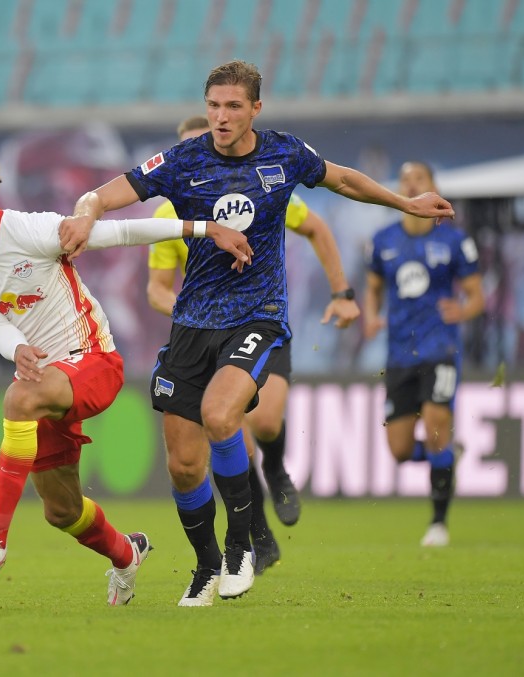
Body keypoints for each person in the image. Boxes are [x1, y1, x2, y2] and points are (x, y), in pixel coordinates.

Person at [60, 60, 454, 606]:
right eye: (214, 106)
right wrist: (85, 213)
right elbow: (108, 195)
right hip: (193, 322)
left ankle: (241, 545)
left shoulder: (284, 153)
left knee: (225, 416)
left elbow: (341, 179)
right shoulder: (182, 161)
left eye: (233, 107)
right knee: (182, 463)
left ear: (255, 110)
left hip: (257, 314)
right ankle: (205, 567)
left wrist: (403, 202)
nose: (221, 117)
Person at [0, 145, 250, 606]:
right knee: (61, 511)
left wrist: (205, 228)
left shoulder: (29, 230)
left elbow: (119, 232)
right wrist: (16, 346)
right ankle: (126, 554)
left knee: (18, 400)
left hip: (93, 361)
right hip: (48, 378)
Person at [146, 115, 361, 575]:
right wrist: (191, 315)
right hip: (206, 334)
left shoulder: (258, 186)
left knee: (263, 423)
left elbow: (318, 228)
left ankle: (278, 469)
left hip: (260, 320)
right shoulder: (169, 218)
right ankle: (258, 539)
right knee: (231, 435)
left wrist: (342, 292)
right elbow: (157, 289)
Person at [363, 161, 483, 547]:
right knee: (399, 450)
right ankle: (447, 455)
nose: (411, 184)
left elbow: (477, 296)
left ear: (434, 188)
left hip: (440, 347)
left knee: (434, 423)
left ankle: (438, 523)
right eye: (404, 180)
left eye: (419, 179)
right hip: (399, 352)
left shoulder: (454, 240)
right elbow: (374, 287)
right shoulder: (383, 239)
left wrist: (462, 310)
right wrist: (371, 315)